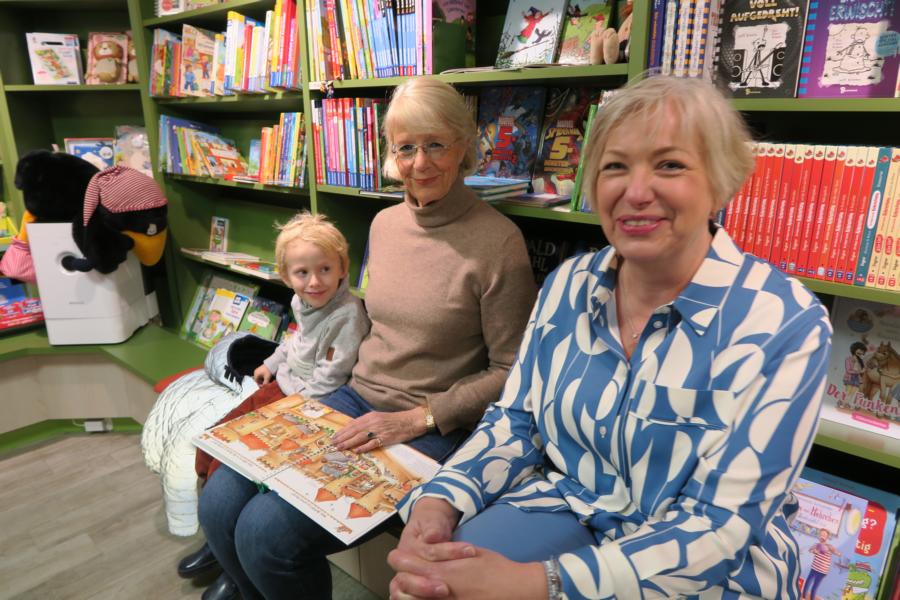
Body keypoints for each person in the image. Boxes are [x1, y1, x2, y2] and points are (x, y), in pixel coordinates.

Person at [389, 75, 833, 600]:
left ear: (721, 180)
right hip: (573, 503)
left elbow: (719, 528)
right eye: (615, 166)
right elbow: (517, 419)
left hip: (711, 567)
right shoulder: (568, 284)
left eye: (669, 164)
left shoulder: (785, 324)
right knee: (430, 587)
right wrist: (442, 499)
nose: (636, 192)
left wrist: (540, 584)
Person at [197, 77, 537, 600]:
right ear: (390, 152)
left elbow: (512, 370)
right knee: (218, 499)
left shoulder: (498, 243)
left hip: (429, 424)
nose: (419, 163)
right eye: (405, 147)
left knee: (266, 534)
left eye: (435, 144)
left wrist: (416, 418)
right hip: (352, 397)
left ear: (465, 145)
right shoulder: (383, 224)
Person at [184, 211, 371, 598]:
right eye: (302, 273)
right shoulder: (302, 301)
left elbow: (330, 377)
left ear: (342, 268)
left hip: (303, 401)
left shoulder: (348, 314)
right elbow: (294, 341)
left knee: (237, 453)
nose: (315, 281)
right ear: (287, 276)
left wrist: (289, 409)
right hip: (283, 389)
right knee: (212, 445)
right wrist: (271, 362)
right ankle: (222, 544)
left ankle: (228, 549)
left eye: (325, 269)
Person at [801, 528, 841, 600]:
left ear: (827, 537)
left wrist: (837, 553)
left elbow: (837, 553)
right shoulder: (816, 545)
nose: (822, 536)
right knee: (808, 582)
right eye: (821, 534)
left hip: (822, 571)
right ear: (819, 536)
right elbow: (810, 549)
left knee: (815, 587)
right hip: (814, 568)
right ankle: (803, 597)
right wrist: (814, 551)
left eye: (824, 535)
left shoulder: (829, 546)